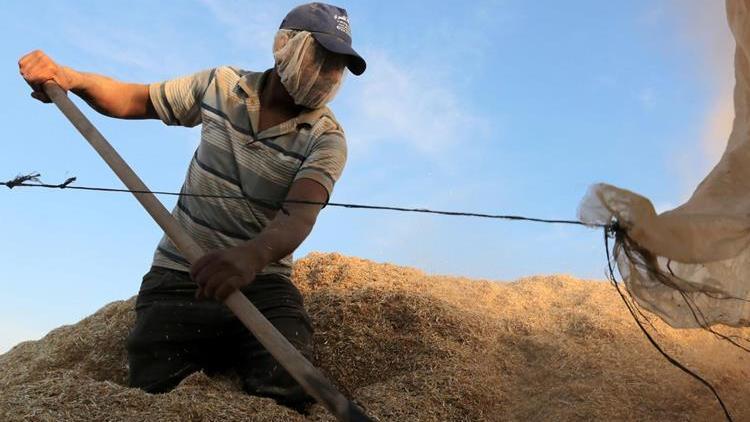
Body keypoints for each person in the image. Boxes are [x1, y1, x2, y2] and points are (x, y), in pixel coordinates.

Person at [18, 2, 366, 412]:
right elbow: (134, 99)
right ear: (284, 45)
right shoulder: (222, 86)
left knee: (288, 377)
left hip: (263, 280)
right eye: (319, 57)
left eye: (336, 67)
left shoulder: (327, 139)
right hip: (181, 270)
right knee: (155, 377)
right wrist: (72, 79)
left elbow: (299, 214)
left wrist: (250, 258)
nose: (327, 75)